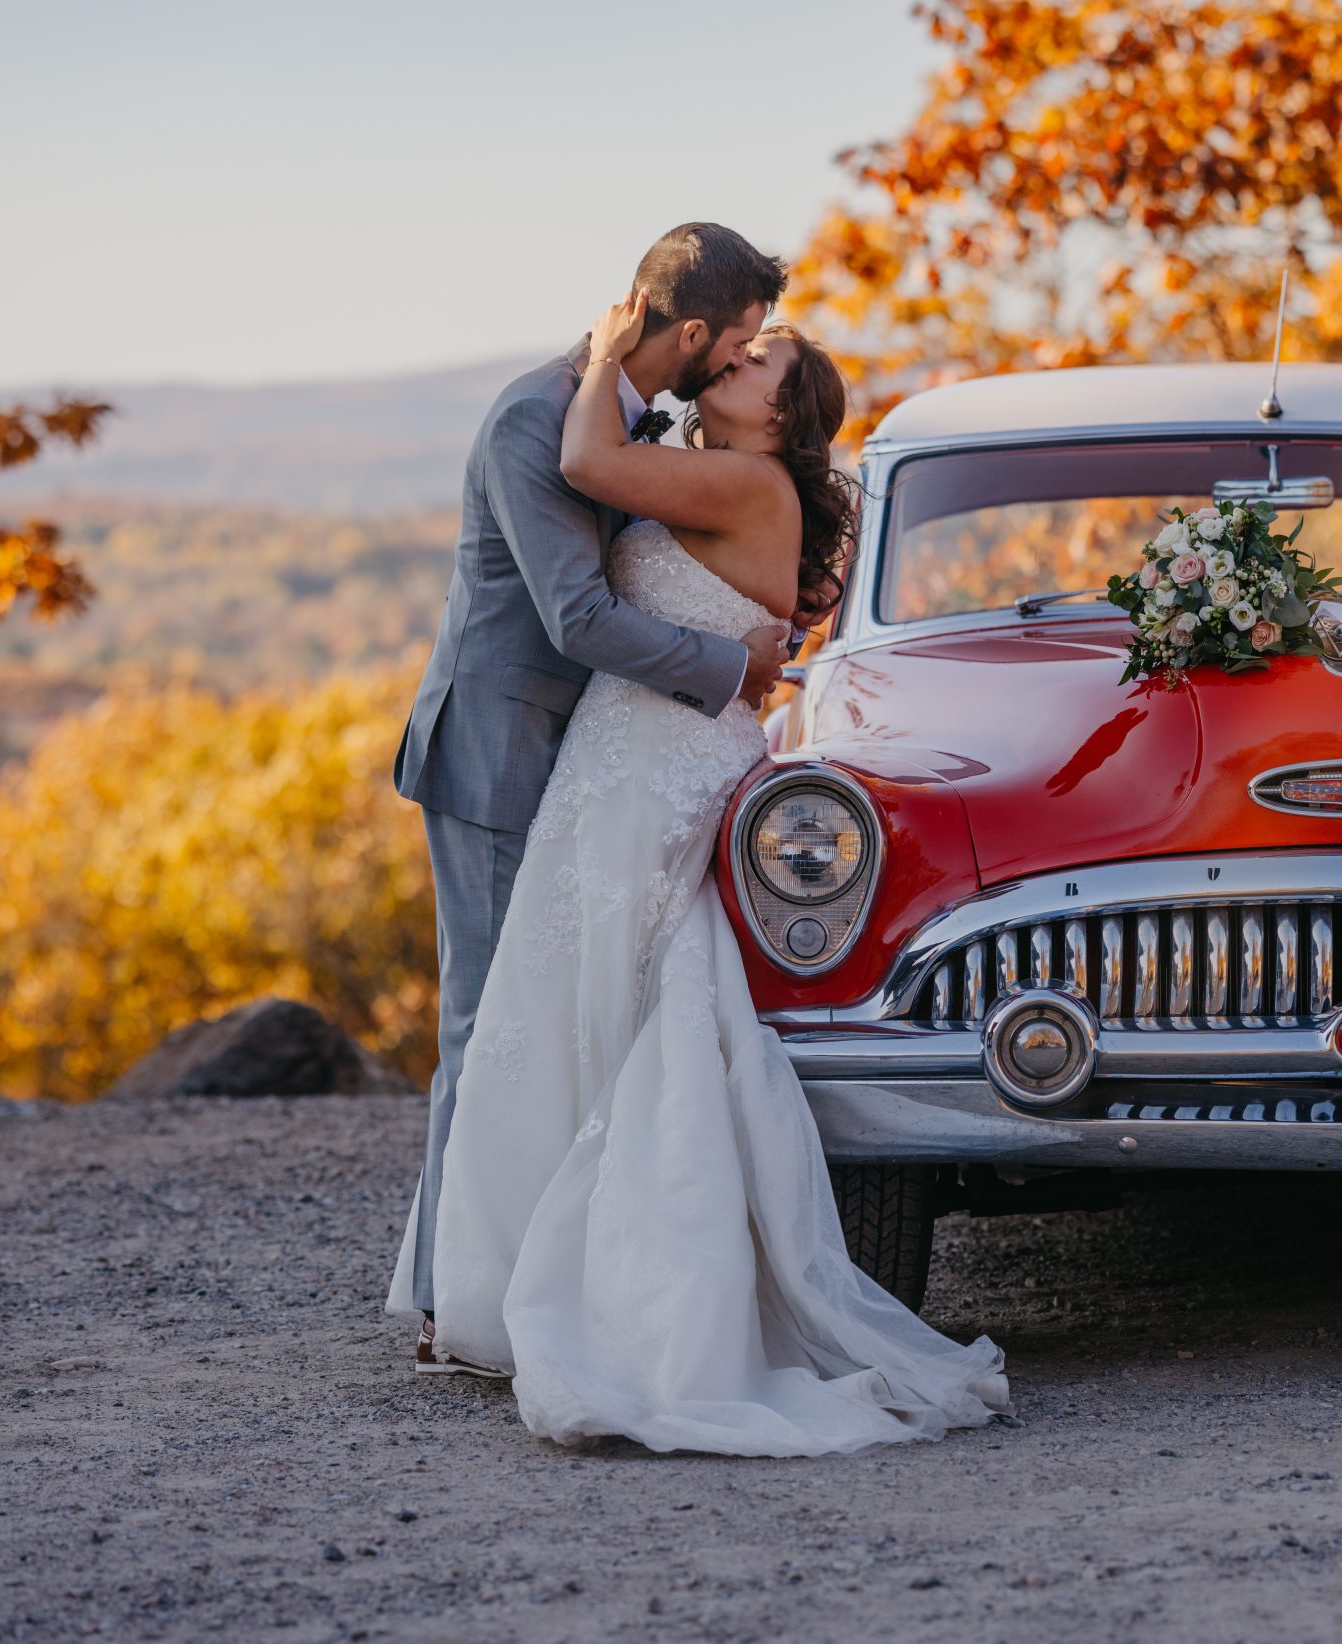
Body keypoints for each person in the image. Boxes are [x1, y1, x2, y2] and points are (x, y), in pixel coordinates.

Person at [405, 283, 1009, 1455]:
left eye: (753, 364)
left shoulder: (739, 481)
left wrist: (599, 351)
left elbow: (586, 459)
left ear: (777, 422)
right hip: (633, 751)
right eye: (736, 346)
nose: (731, 364)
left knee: (597, 1003)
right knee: (590, 1001)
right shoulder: (726, 472)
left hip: (657, 757)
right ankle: (511, 1276)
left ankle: (574, 1288)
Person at [387, 224, 793, 1364]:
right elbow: (576, 618)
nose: (740, 359)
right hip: (498, 745)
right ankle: (443, 1299)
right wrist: (731, 667)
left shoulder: (634, 423)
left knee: (550, 1009)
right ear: (700, 329)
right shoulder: (538, 417)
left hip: (590, 757)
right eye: (744, 339)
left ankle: (544, 1269)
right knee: (486, 1014)